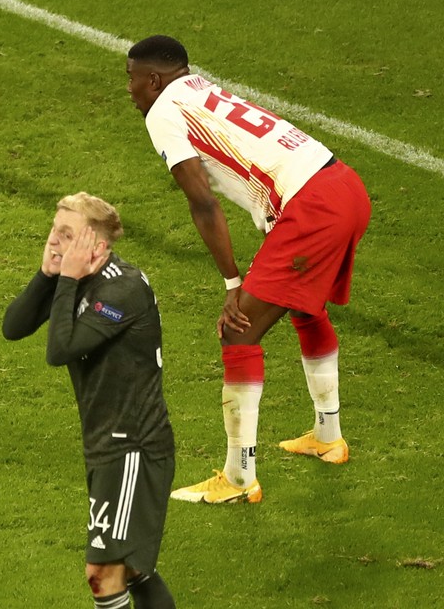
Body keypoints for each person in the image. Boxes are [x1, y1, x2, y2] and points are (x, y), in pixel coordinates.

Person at [126, 35, 371, 504]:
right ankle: (328, 437)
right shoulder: (199, 87)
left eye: (132, 79)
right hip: (343, 184)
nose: (130, 90)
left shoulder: (162, 111)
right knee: (305, 307)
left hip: (313, 207)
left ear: (153, 80)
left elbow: (203, 202)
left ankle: (238, 479)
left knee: (237, 331)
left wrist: (233, 284)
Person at [3, 193, 177, 609]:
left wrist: (64, 281)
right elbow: (13, 326)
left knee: (103, 574)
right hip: (105, 442)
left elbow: (59, 349)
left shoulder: (124, 290)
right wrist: (48, 276)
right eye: (53, 230)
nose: (53, 241)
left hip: (133, 445)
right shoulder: (78, 278)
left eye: (66, 234)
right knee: (134, 569)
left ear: (96, 246)